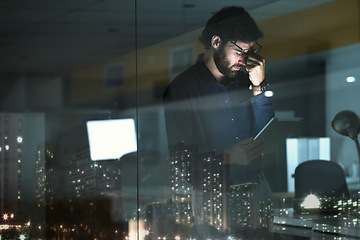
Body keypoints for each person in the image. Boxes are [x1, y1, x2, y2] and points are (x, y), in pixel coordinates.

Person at [163, 6, 275, 239]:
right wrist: (226, 157)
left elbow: (265, 132)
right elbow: (181, 159)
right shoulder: (182, 89)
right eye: (240, 51)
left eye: (250, 50)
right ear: (216, 42)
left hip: (257, 187)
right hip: (214, 195)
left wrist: (258, 87)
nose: (245, 59)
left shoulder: (248, 78)